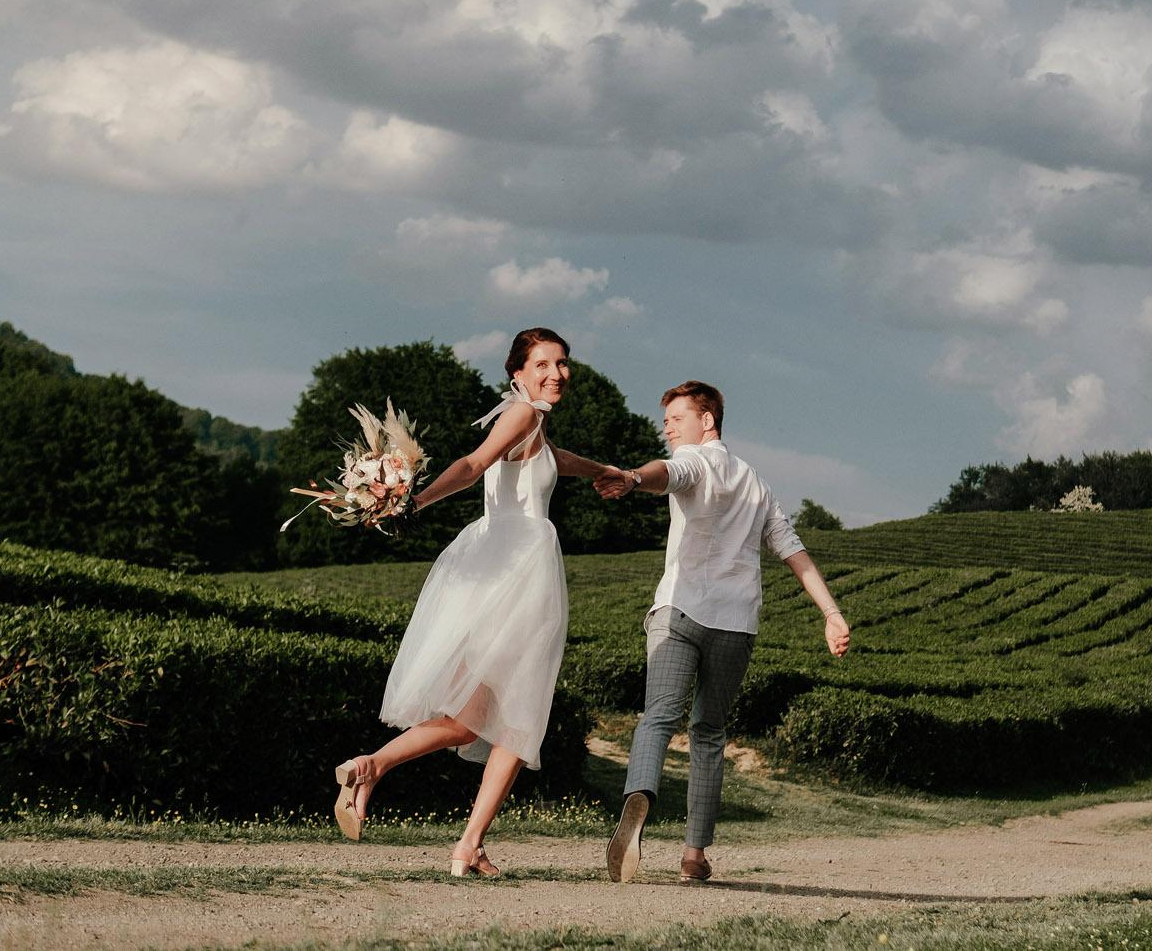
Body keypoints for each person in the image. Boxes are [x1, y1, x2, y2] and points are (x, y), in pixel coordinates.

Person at [330, 327, 622, 876]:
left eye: (562, 363)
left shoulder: (527, 419)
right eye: (543, 364)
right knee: (518, 717)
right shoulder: (524, 413)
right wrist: (415, 503)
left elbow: (553, 459)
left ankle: (372, 766)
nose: (557, 373)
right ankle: (467, 843)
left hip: (493, 569)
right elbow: (472, 464)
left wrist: (606, 472)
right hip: (520, 572)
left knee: (472, 721)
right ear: (518, 373)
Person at [592, 380, 851, 884]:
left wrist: (632, 477)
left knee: (658, 717)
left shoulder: (695, 460)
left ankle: (640, 795)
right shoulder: (757, 484)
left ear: (707, 420)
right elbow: (792, 550)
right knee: (708, 732)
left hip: (679, 611)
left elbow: (668, 473)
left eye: (677, 419)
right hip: (735, 624)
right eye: (665, 422)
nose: (668, 429)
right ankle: (694, 855)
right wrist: (831, 612)